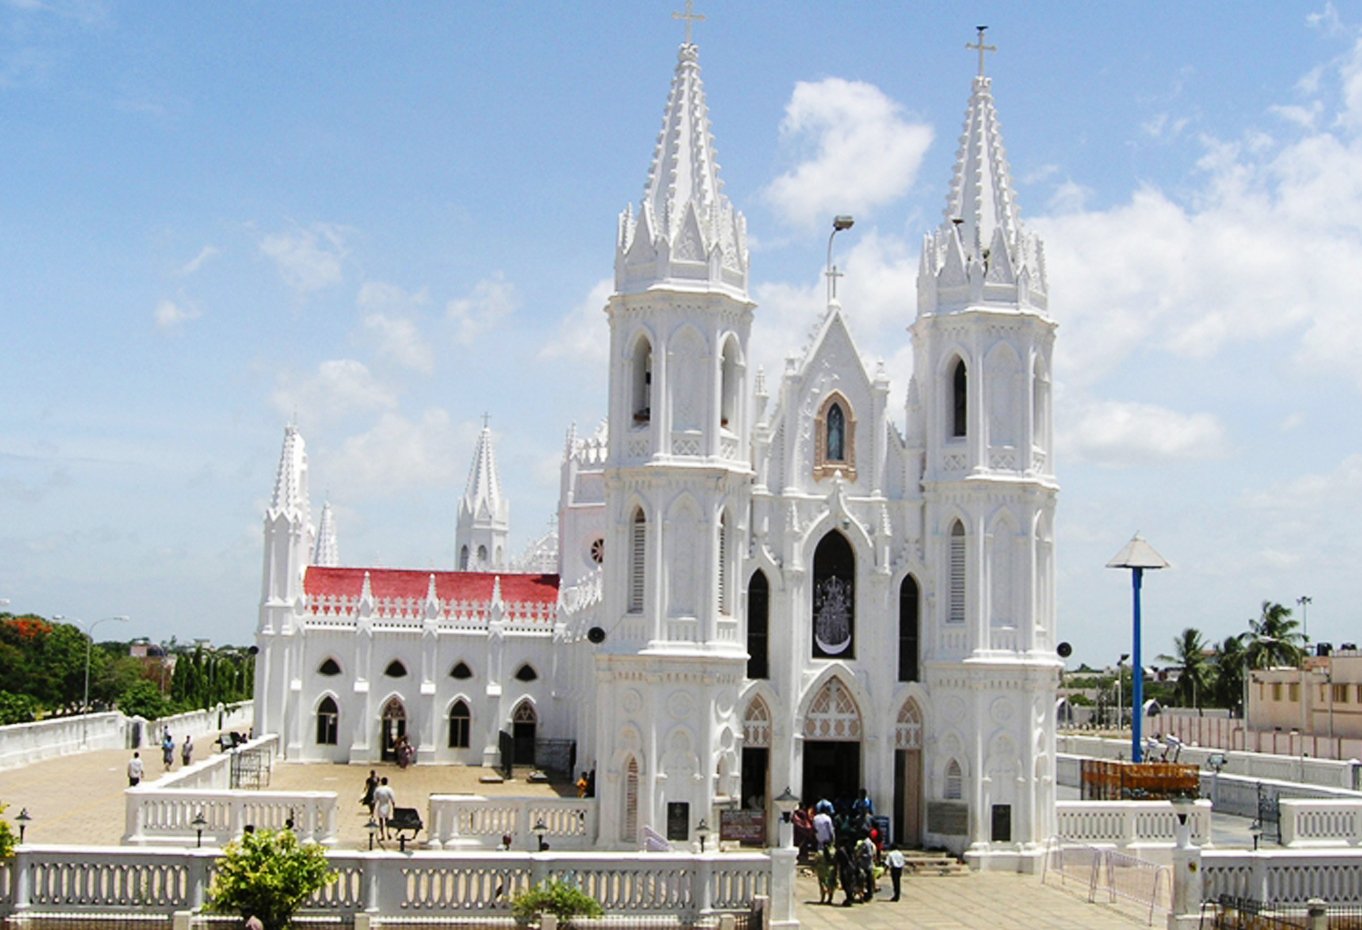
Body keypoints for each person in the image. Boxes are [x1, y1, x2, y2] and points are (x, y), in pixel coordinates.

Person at [372, 776, 396, 840]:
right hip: (387, 805)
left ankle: (382, 835)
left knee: (381, 821)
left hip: (380, 805)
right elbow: (393, 799)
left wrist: (372, 811)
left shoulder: (378, 789)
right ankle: (388, 833)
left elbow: (374, 800)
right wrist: (394, 807)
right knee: (387, 820)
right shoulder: (389, 789)